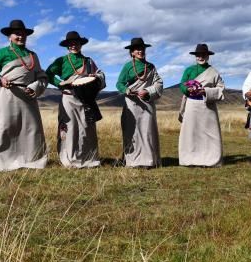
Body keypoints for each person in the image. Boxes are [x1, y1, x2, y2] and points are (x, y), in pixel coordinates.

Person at [0, 19, 48, 171]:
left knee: (32, 128)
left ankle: (33, 161)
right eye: (16, 34)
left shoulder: (33, 55)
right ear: (9, 36)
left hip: (29, 94)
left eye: (23, 34)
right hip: (8, 94)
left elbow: (41, 75)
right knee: (7, 127)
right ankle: (6, 163)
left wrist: (35, 86)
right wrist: (0, 79)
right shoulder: (2, 53)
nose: (20, 37)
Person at [45, 31, 106, 168]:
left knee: (87, 128)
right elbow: (48, 74)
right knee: (70, 128)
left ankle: (89, 158)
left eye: (76, 43)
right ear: (67, 46)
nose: (74, 45)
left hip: (86, 99)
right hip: (69, 98)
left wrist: (95, 78)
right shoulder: (62, 61)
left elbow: (100, 75)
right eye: (71, 43)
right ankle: (69, 159)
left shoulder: (89, 61)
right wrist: (59, 83)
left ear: (80, 44)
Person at [116, 38, 163, 168]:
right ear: (132, 52)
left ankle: (148, 160)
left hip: (147, 103)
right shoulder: (127, 66)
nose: (140, 51)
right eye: (137, 49)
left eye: (142, 49)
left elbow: (158, 84)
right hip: (131, 103)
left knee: (147, 131)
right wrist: (126, 89)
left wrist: (148, 91)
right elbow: (119, 83)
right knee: (132, 131)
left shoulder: (151, 67)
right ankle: (132, 161)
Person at [178, 43, 225, 167]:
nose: (201, 57)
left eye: (203, 55)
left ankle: (210, 159)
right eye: (198, 55)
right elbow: (182, 84)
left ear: (208, 56)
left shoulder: (214, 72)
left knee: (209, 134)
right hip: (192, 104)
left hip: (207, 105)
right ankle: (190, 159)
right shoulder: (189, 70)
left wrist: (206, 91)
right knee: (191, 133)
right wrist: (187, 90)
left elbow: (220, 89)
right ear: (195, 56)